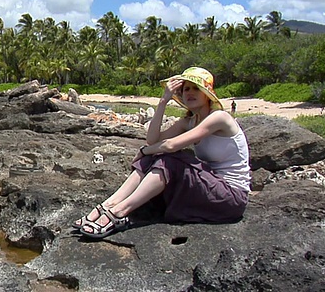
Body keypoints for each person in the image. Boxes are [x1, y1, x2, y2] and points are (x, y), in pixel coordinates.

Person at [72, 67, 251, 239]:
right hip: (210, 187)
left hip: (231, 197)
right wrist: (163, 101)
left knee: (170, 159)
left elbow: (171, 145)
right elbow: (153, 140)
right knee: (154, 155)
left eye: (196, 88)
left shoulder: (219, 117)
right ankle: (109, 204)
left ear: (207, 94)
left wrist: (143, 150)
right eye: (185, 89)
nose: (189, 92)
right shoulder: (188, 121)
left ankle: (119, 211)